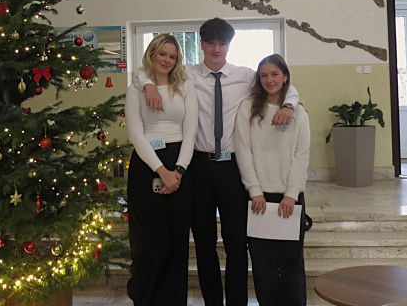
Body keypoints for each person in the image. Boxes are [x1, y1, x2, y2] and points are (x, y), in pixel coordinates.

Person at [136, 18, 299, 306]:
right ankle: (212, 302)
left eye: (222, 43)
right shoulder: (186, 74)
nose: (216, 48)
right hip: (198, 167)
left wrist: (288, 105)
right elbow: (143, 72)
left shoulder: (245, 76)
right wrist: (148, 85)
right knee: (204, 242)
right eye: (210, 42)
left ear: (229, 45)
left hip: (232, 167)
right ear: (201, 44)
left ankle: (236, 302)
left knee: (236, 242)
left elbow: (286, 86)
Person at [125, 34, 198, 306]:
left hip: (180, 165)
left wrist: (178, 170)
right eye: (162, 54)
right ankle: (145, 299)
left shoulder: (185, 86)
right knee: (150, 242)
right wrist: (161, 171)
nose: (167, 60)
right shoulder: (137, 88)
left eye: (173, 56)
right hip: (147, 165)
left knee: (176, 241)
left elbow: (190, 133)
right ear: (152, 54)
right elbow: (136, 135)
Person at [234, 53, 310, 306]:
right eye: (264, 75)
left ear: (285, 76)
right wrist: (255, 190)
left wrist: (291, 194)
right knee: (263, 265)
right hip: (259, 198)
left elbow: (301, 156)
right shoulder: (248, 108)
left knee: (292, 264)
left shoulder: (298, 113)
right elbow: (243, 151)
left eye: (275, 74)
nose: (269, 80)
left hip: (289, 198)